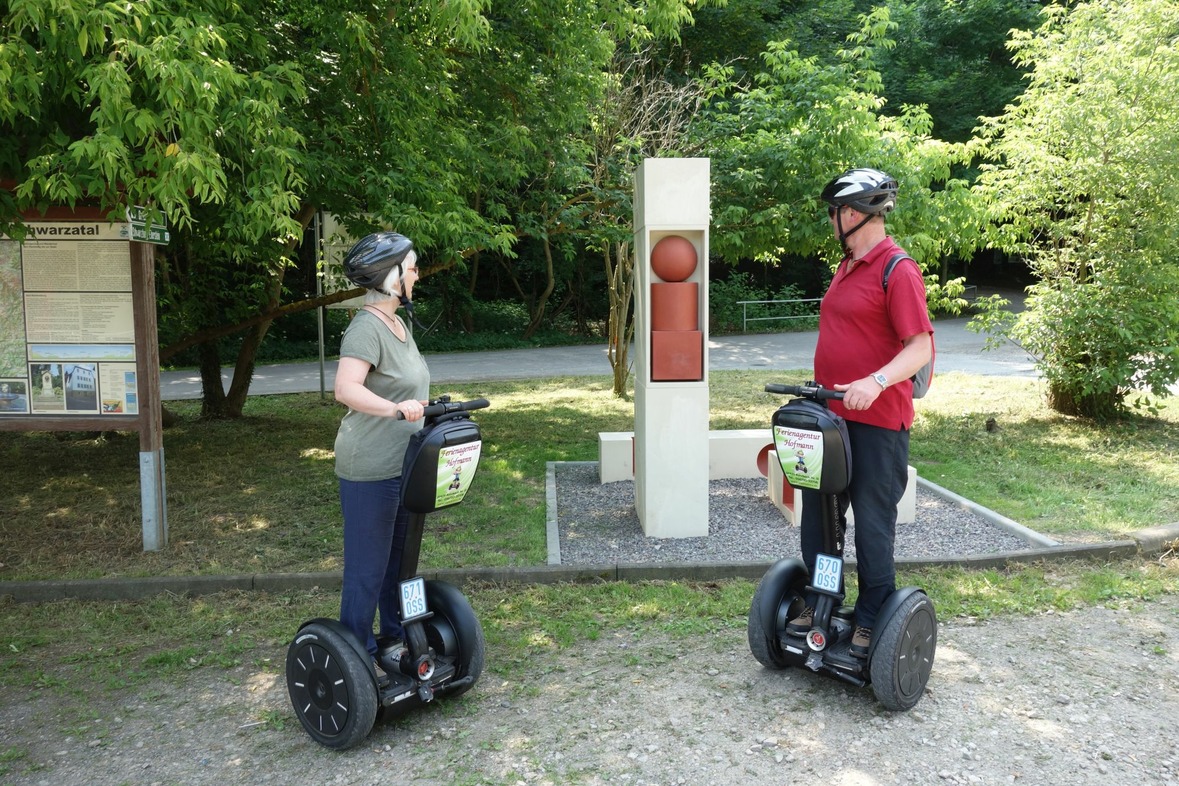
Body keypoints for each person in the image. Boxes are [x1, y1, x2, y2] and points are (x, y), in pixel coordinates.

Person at [787, 167, 934, 658]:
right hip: (833, 420)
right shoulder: (847, 266)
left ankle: (873, 614)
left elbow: (920, 348)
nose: (831, 222)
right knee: (822, 519)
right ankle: (824, 596)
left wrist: (874, 381)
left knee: (873, 523)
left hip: (878, 424)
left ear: (852, 214)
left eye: (834, 213)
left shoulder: (898, 268)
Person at [333, 231, 429, 666]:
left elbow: (407, 387)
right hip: (370, 466)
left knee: (399, 565)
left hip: (406, 465)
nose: (416, 274)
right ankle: (357, 656)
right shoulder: (366, 327)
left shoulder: (399, 324)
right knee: (367, 571)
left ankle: (395, 639)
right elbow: (345, 389)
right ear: (390, 277)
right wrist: (395, 410)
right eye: (410, 268)